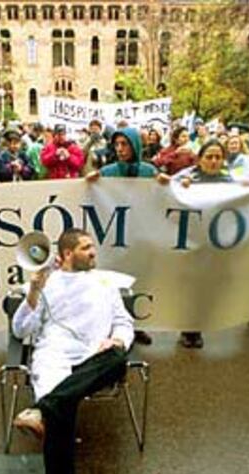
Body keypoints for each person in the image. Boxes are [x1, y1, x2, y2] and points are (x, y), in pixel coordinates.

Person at [12, 228, 134, 474]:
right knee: (61, 417)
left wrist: (119, 340)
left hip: (95, 357)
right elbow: (21, 331)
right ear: (66, 254)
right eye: (85, 247)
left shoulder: (106, 284)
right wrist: (34, 292)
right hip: (54, 355)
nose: (93, 252)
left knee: (118, 359)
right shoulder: (46, 283)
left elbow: (125, 323)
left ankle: (42, 409)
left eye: (92, 246)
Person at [87, 126, 165, 345]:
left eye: (125, 144)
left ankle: (136, 325)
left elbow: (164, 195)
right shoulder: (109, 171)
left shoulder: (149, 171)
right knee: (114, 281)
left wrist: (167, 184)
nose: (120, 149)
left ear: (135, 146)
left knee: (138, 281)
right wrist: (91, 181)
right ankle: (112, 327)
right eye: (117, 144)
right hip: (115, 237)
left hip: (141, 235)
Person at [173, 139, 233, 348]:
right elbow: (164, 191)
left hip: (215, 242)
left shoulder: (230, 181)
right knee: (190, 286)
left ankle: (196, 326)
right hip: (189, 240)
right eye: (209, 157)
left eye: (218, 157)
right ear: (200, 159)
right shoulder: (186, 177)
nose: (214, 161)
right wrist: (179, 187)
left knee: (206, 286)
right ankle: (189, 330)